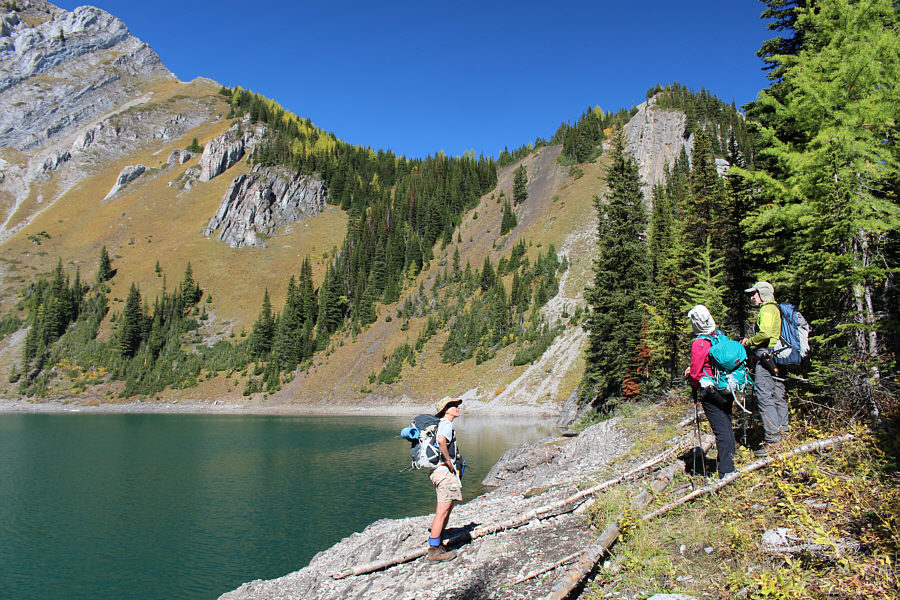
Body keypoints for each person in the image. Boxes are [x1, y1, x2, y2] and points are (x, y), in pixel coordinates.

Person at [685, 305, 736, 477]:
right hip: (726, 387)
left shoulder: (699, 343)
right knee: (727, 425)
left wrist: (692, 380)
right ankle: (730, 461)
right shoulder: (719, 336)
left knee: (721, 430)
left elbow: (696, 373)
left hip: (710, 390)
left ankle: (726, 471)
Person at [740, 281, 786, 456]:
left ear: (763, 294)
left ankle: (773, 440)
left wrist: (749, 342)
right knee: (778, 394)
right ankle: (784, 433)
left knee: (765, 395)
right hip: (777, 356)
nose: (752, 297)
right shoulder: (776, 308)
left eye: (755, 294)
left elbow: (765, 334)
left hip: (767, 357)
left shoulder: (767, 309)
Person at [427, 396, 463, 562]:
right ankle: (434, 550)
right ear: (446, 410)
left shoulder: (442, 424)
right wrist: (449, 461)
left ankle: (439, 543)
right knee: (442, 510)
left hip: (438, 472)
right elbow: (442, 440)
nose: (457, 407)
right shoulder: (446, 424)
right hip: (444, 472)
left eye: (456, 405)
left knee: (447, 508)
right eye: (453, 405)